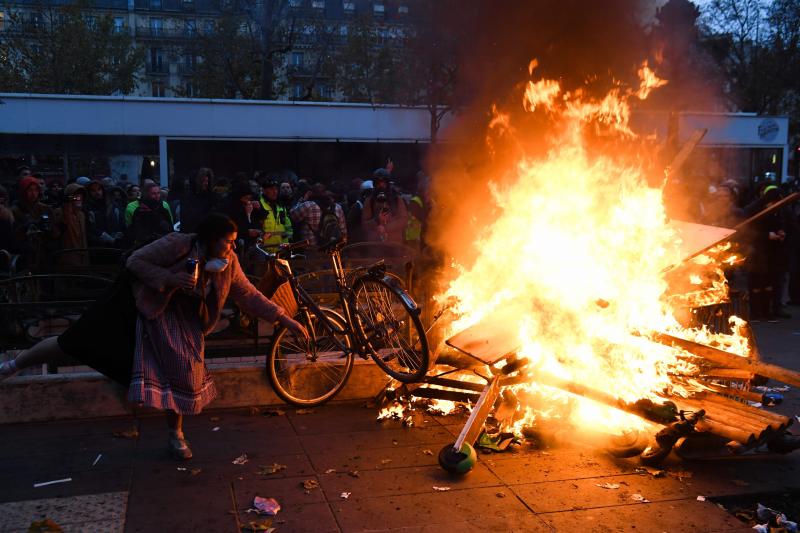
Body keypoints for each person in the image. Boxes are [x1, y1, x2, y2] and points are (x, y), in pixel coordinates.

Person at [0, 213, 308, 460]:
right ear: (211, 240)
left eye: (234, 242)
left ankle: (176, 434)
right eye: (228, 242)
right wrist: (171, 279)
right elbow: (135, 261)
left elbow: (247, 294)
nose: (232, 248)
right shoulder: (178, 244)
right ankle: (13, 366)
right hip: (144, 310)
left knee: (184, 371)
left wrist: (284, 319)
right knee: (71, 343)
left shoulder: (229, 264)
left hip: (185, 321)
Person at [361, 169, 408, 243]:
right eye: (378, 183)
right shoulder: (370, 201)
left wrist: (386, 228)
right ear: (374, 184)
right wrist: (377, 220)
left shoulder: (396, 199)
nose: (381, 186)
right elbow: (364, 224)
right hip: (375, 245)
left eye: (383, 183)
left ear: (388, 184)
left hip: (394, 244)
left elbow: (403, 220)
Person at [52, 182, 90, 266]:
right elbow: (55, 234)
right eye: (75, 195)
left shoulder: (82, 215)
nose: (79, 198)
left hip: (83, 259)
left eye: (80, 195)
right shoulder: (59, 212)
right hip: (67, 259)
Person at [128, 182, 174, 247]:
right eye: (153, 193)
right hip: (147, 248)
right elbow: (138, 233)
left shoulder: (163, 210)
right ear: (147, 194)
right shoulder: (140, 212)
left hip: (164, 247)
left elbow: (170, 230)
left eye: (158, 193)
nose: (157, 196)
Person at [258, 178, 292, 250]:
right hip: (264, 251)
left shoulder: (280, 206)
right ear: (263, 190)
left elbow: (286, 228)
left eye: (276, 189)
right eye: (271, 189)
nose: (275, 191)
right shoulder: (259, 205)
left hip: (280, 250)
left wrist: (286, 246)